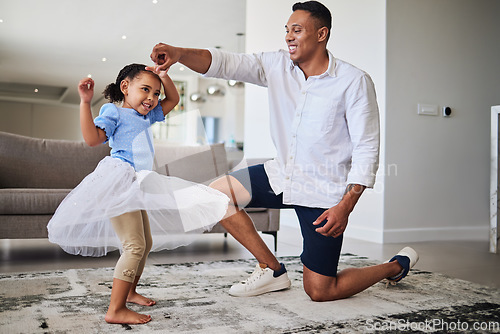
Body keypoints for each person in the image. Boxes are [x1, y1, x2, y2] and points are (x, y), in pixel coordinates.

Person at [149, 0, 419, 302]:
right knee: (216, 195)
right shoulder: (276, 65)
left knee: (320, 291)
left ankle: (394, 266)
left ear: (321, 34)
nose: (289, 36)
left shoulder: (354, 81)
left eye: (297, 29)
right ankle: (272, 269)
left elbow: (368, 147)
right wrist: (179, 54)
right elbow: (226, 63)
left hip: (324, 192)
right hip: (281, 175)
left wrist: (345, 206)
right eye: (287, 30)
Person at [47, 64, 229, 324]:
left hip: (137, 183)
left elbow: (174, 99)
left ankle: (130, 291)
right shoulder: (114, 111)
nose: (152, 98)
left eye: (156, 93)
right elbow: (92, 139)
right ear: (125, 87)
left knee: (146, 244)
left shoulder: (148, 115)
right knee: (134, 246)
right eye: (145, 89)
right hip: (119, 182)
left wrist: (164, 77)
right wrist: (85, 103)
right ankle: (115, 309)